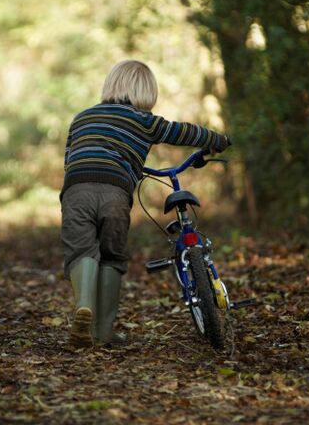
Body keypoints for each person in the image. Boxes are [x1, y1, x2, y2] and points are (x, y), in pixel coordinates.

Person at [60, 60, 230, 348]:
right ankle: (103, 333)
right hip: (115, 191)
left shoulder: (82, 118)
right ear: (147, 92)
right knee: (111, 256)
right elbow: (183, 132)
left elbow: (69, 159)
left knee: (81, 251)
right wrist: (218, 140)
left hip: (77, 188)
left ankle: (83, 308)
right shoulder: (145, 120)